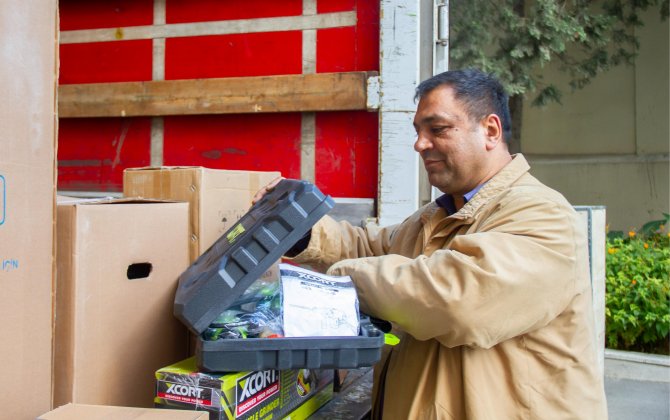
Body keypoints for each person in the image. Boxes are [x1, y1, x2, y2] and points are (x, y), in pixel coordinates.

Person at [254, 68, 608, 419]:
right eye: (418, 132)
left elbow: (456, 299)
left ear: (490, 130)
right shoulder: (436, 215)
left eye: (437, 129)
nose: (420, 144)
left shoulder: (543, 214)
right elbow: (370, 248)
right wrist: (302, 229)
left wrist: (335, 283)